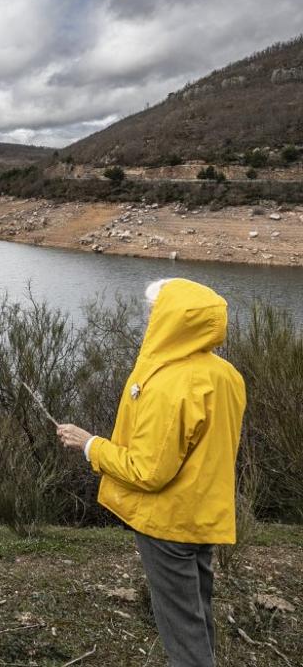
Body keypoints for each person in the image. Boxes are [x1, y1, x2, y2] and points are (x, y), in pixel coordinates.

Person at [56, 278, 246, 667]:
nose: (149, 320)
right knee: (196, 615)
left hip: (168, 523)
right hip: (203, 515)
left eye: (153, 312)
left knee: (181, 631)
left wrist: (90, 444)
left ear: (171, 319)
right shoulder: (225, 375)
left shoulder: (170, 383)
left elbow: (148, 471)